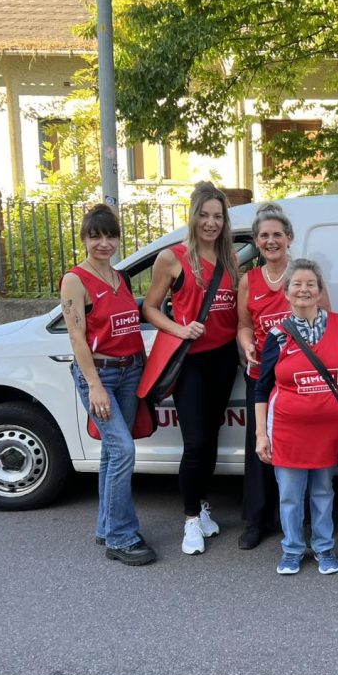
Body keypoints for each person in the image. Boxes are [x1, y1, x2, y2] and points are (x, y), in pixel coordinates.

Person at [254, 259, 338, 576]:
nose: (303, 289)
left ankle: (324, 547)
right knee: (290, 496)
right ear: (286, 292)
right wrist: (261, 434)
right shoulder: (278, 335)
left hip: (328, 431)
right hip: (287, 430)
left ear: (320, 292)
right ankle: (292, 549)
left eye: (310, 284)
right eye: (297, 284)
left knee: (322, 492)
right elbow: (262, 388)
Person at [142, 181, 240, 556]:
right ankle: (190, 519)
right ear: (194, 216)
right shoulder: (173, 258)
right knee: (195, 442)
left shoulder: (231, 260)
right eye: (205, 215)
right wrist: (179, 329)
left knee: (211, 438)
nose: (211, 223)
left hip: (224, 360)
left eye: (218, 216)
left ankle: (202, 505)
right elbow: (149, 308)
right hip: (191, 362)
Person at [60, 205, 155, 566]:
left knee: (113, 452)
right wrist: (94, 385)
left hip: (131, 372)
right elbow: (76, 337)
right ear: (84, 239)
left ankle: (106, 526)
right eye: (95, 236)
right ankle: (121, 537)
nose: (104, 243)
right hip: (101, 376)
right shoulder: (75, 280)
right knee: (123, 449)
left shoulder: (120, 277)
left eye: (110, 235)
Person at [235, 203, 293, 549]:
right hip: (260, 375)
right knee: (259, 445)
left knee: (293, 447)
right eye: (264, 236)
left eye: (277, 235)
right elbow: (244, 325)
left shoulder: (302, 273)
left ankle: (292, 519)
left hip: (295, 378)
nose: (271, 241)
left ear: (289, 238)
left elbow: (324, 320)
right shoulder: (249, 281)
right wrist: (246, 344)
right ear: (256, 241)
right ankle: (256, 521)